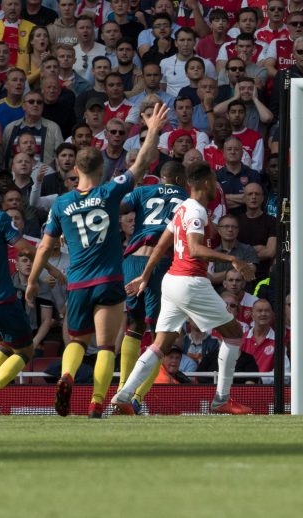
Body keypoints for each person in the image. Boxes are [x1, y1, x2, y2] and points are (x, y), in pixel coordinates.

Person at [26, 103, 168, 418]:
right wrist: (153, 128)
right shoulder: (109, 192)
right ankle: (97, 402)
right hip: (108, 280)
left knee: (77, 340)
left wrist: (34, 280)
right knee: (106, 347)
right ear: (101, 166)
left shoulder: (62, 203)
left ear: (74, 169)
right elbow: (142, 162)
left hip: (77, 282)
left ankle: (66, 376)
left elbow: (45, 247)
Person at [111, 160, 257, 415]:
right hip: (190, 282)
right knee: (233, 334)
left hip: (171, 282)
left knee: (160, 344)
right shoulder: (195, 210)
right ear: (204, 183)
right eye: (213, 181)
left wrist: (145, 275)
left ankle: (123, 396)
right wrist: (232, 259)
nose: (216, 187)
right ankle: (222, 399)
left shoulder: (183, 209)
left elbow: (160, 246)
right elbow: (195, 249)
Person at [114, 160, 189, 414]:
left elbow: (117, 207)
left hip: (133, 260)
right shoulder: (188, 198)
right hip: (163, 262)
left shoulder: (143, 191)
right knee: (162, 336)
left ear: (160, 178)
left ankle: (122, 388)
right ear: (180, 180)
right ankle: (135, 397)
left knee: (133, 326)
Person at [0, 210, 64, 391]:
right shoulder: (0, 218)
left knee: (8, 343)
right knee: (26, 350)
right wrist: (49, 268)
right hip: (3, 301)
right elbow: (26, 249)